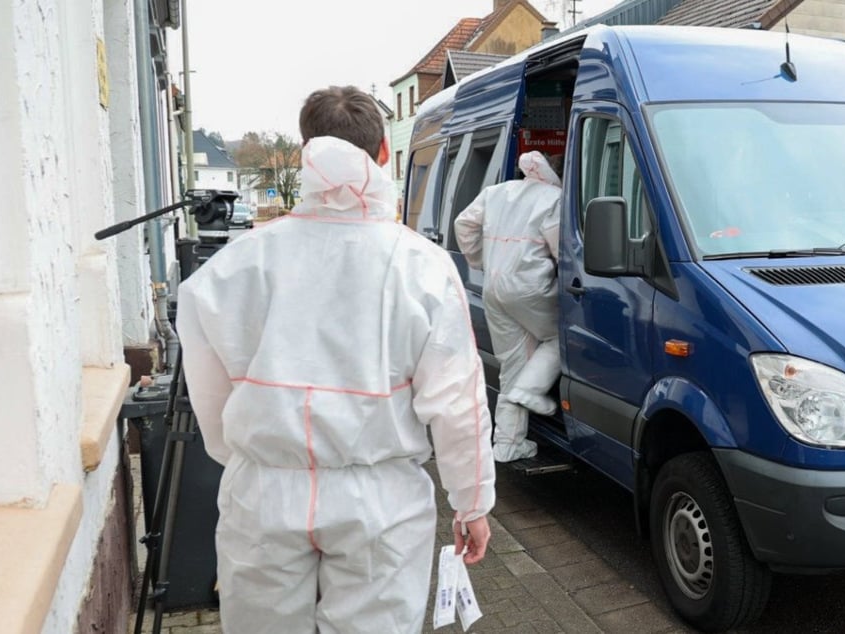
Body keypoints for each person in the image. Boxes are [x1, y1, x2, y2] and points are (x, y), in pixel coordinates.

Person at [176, 85, 495, 634]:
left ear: (306, 153)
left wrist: (250, 455)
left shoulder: (236, 265)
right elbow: (456, 400)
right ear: (382, 156)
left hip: (265, 492)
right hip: (380, 500)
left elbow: (208, 390)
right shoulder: (420, 265)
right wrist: (471, 501)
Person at [453, 151, 563, 463]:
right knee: (562, 338)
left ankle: (507, 444)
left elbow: (463, 224)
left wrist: (479, 260)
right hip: (530, 287)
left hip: (494, 287)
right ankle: (531, 389)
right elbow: (562, 251)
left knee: (513, 363)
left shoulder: (497, 191)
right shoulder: (554, 198)